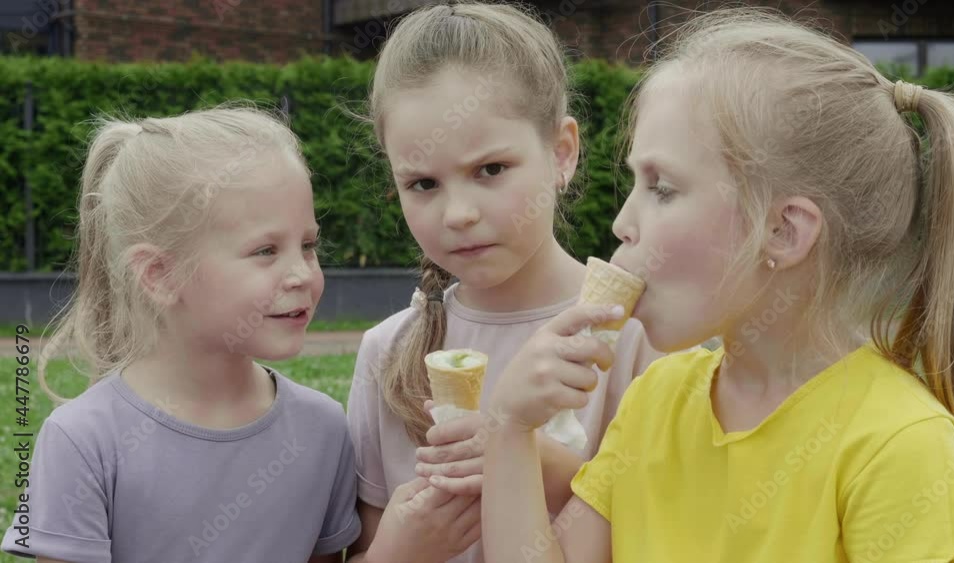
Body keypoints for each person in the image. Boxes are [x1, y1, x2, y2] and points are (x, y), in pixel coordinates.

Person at [484, 7, 954, 562]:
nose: (622, 223)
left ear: (783, 231)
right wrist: (510, 431)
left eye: (661, 188)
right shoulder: (655, 402)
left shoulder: (900, 447)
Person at [345, 4, 660, 563]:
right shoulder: (385, 353)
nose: (459, 214)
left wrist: (532, 460)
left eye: (490, 170)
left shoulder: (637, 337)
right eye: (423, 184)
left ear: (562, 153)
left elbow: (669, 527)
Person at [1, 106, 361, 563]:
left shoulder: (323, 429)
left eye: (308, 245)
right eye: (266, 250)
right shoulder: (83, 441)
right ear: (159, 275)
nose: (303, 274)